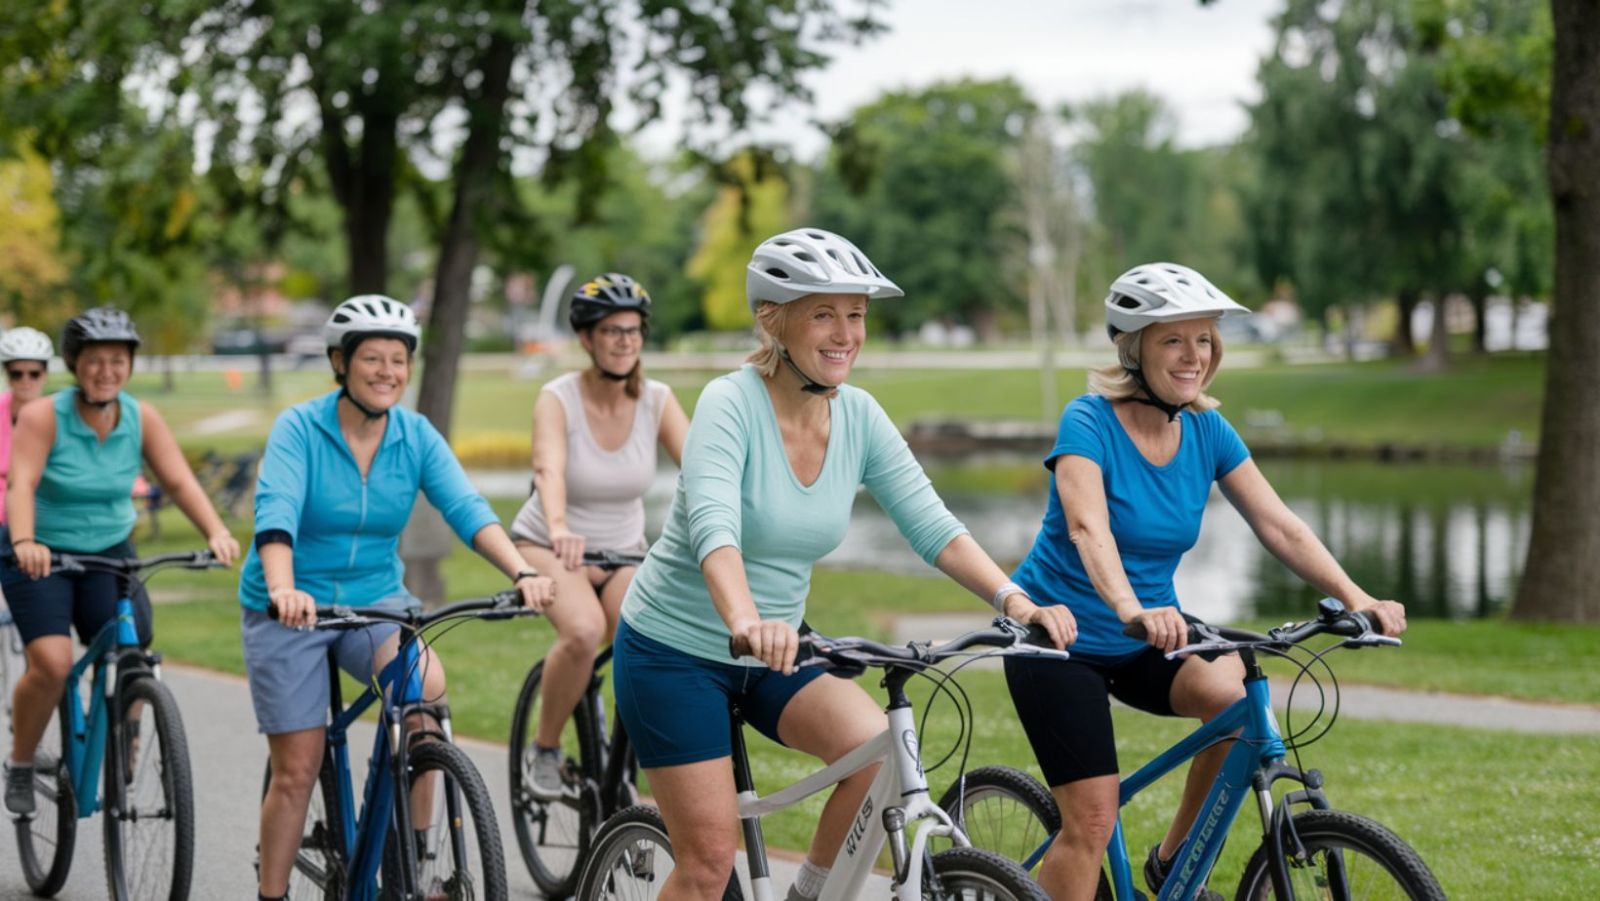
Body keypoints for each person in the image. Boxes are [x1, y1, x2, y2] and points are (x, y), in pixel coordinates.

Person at [611, 228, 1076, 901]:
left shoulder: (858, 415)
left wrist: (1016, 600)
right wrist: (743, 617)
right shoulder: (728, 402)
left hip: (777, 646)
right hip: (673, 650)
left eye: (855, 314)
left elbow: (933, 525)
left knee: (875, 751)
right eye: (824, 312)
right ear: (772, 317)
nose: (845, 333)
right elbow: (715, 528)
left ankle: (811, 893)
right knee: (710, 860)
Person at [1002, 263, 1410, 901]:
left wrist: (1358, 598)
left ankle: (1171, 860)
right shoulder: (1088, 421)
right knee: (1090, 819)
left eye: (1204, 340)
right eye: (1173, 340)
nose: (1194, 356)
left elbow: (1280, 526)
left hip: (1148, 634)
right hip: (1059, 640)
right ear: (1132, 348)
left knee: (1237, 705)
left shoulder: (1206, 429)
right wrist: (1131, 607)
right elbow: (1087, 529)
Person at [243, 294, 556, 901]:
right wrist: (283, 586)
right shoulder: (300, 429)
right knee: (298, 769)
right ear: (340, 363)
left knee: (424, 703)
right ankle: (272, 893)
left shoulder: (414, 434)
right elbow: (274, 513)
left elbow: (466, 508)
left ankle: (408, 863)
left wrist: (521, 570)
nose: (387, 371)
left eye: (398, 359)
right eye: (372, 358)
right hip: (291, 608)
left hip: (376, 602)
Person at [3, 308, 242, 815]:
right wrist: (25, 540)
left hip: (110, 553)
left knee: (133, 651)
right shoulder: (44, 415)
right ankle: (22, 761)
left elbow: (177, 481)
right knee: (51, 663)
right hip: (40, 551)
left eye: (118, 360)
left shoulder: (140, 416)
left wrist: (216, 531)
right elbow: (21, 482)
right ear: (73, 363)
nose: (106, 370)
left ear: (130, 364)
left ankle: (125, 733)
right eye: (94, 360)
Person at [507, 272, 689, 799]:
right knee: (584, 631)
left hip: (625, 551)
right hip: (550, 544)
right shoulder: (557, 397)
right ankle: (543, 749)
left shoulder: (656, 400)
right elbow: (549, 469)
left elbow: (704, 467)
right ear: (586, 339)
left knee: (650, 641)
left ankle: (625, 773)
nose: (624, 340)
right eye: (611, 331)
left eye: (633, 330)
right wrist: (560, 526)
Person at [0, 327, 56, 525]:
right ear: (7, 374)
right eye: (17, 374)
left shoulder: (59, 415)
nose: (26, 381)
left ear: (45, 374)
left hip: (46, 515)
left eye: (34, 374)